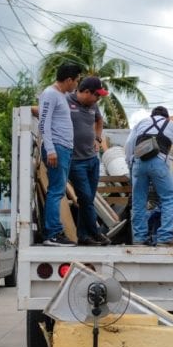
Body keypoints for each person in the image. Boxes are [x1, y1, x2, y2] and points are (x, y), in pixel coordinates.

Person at [125, 106, 173, 246]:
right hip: (159, 161)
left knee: (138, 200)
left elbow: (129, 143)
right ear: (167, 117)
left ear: (152, 116)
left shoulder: (141, 122)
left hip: (139, 161)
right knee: (169, 198)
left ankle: (139, 238)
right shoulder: (172, 124)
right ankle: (164, 237)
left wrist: (130, 162)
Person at [38, 63, 83, 246]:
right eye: (77, 81)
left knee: (57, 191)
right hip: (57, 148)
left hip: (63, 148)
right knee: (56, 191)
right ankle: (53, 234)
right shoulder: (50, 94)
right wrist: (50, 150)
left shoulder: (61, 95)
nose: (77, 85)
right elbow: (43, 123)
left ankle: (54, 232)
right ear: (69, 80)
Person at [67, 76, 111, 246]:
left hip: (92, 159)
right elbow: (44, 111)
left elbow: (99, 121)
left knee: (88, 200)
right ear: (86, 92)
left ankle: (83, 236)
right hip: (75, 161)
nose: (98, 99)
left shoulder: (93, 105)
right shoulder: (66, 101)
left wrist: (98, 138)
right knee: (84, 197)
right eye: (96, 95)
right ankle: (96, 232)